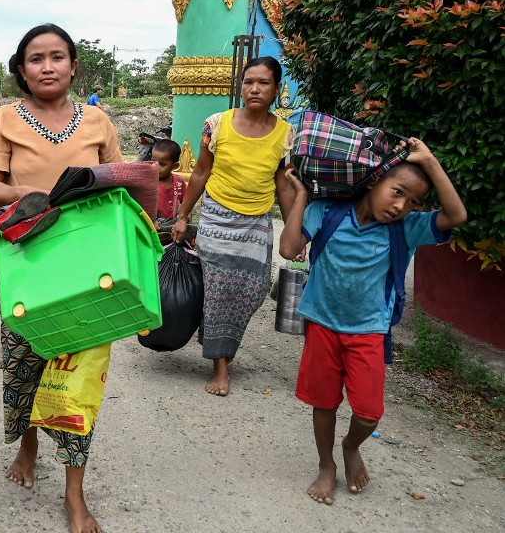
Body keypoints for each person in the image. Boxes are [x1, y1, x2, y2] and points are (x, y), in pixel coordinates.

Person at [0, 23, 123, 533]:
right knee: (24, 367)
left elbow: (118, 188)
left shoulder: (99, 121)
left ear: (73, 64)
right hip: (28, 262)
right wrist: (33, 196)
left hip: (87, 270)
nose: (47, 66)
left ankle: (74, 494)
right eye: (35, 58)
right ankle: (29, 446)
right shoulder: (4, 119)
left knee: (80, 378)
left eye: (56, 56)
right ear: (21, 69)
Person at [279, 141, 466, 505]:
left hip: (368, 331)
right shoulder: (327, 212)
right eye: (397, 192)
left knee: (368, 412)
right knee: (325, 403)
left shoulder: (406, 229)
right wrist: (301, 196)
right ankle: (326, 464)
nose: (401, 206)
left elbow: (455, 216)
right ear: (372, 182)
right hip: (321, 324)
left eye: (412, 201)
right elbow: (288, 250)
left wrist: (429, 160)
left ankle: (351, 447)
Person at [170, 55, 296, 397]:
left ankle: (217, 340)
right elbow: (200, 173)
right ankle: (220, 365)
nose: (254, 89)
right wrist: (183, 216)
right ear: (240, 86)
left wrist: (292, 229)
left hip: (256, 223)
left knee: (253, 290)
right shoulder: (217, 124)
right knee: (218, 291)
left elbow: (283, 184)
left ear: (276, 88)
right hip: (216, 218)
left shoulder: (286, 134)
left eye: (263, 83)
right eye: (248, 82)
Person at [151, 138, 187, 231]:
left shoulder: (179, 182)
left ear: (174, 166)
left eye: (162, 164)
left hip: (170, 228)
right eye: (153, 162)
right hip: (151, 227)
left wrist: (185, 221)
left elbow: (186, 205)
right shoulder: (147, 182)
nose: (156, 167)